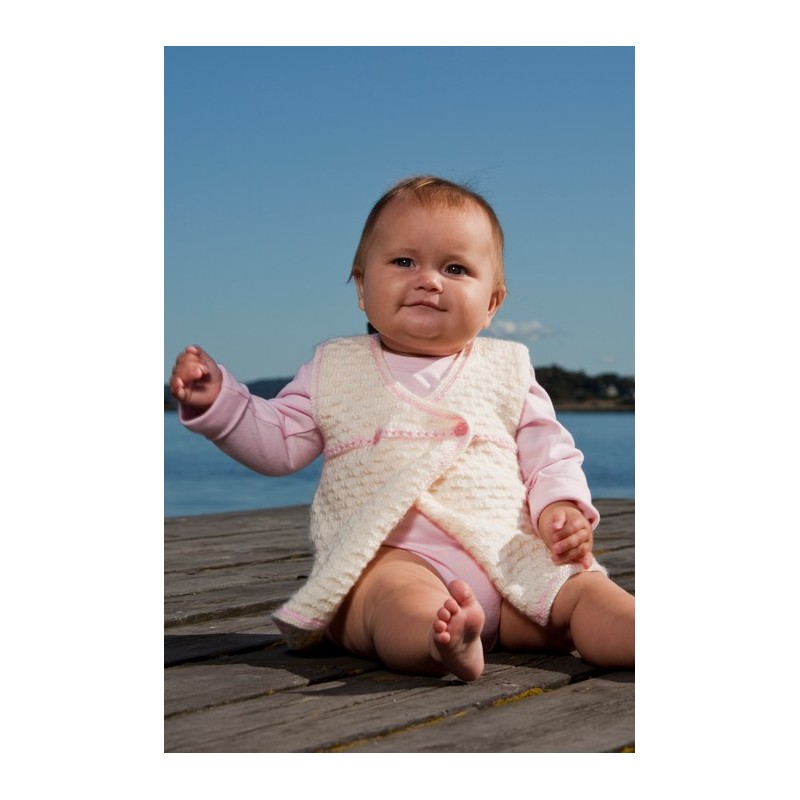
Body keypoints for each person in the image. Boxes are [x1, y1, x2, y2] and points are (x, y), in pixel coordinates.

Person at [170, 175, 635, 682]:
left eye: (455, 268)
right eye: (404, 262)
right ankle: (442, 643)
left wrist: (561, 508)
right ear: (361, 287)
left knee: (584, 591)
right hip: (393, 555)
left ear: (491, 304)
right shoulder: (335, 370)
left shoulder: (508, 370)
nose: (429, 280)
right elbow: (278, 442)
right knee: (390, 599)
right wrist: (223, 403)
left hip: (511, 561)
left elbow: (550, 454)